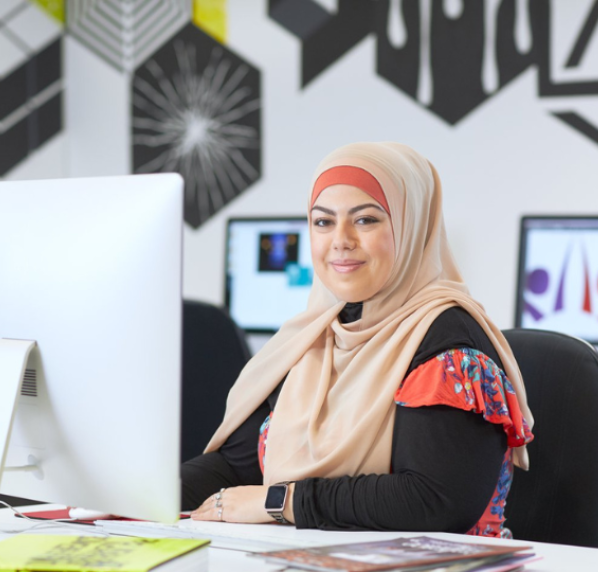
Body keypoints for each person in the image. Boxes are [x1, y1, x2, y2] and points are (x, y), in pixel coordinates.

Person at [181, 142, 535, 538]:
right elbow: (236, 466)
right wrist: (138, 500)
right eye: (323, 222)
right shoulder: (313, 336)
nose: (341, 239)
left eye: (365, 220)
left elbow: (433, 500)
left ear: (411, 225)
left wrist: (279, 502)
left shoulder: (448, 342)